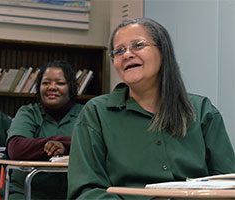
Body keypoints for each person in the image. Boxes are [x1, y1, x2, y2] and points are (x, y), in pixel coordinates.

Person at [67, 18, 235, 199]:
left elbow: (227, 184)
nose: (127, 55)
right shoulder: (96, 112)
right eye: (119, 51)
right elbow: (86, 191)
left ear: (163, 51)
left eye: (138, 45)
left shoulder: (202, 110)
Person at [6, 60, 83, 199]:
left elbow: (95, 147)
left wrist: (63, 147)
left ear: (71, 88)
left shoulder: (85, 113)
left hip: (72, 193)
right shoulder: (28, 112)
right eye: (46, 83)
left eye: (60, 83)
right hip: (26, 192)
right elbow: (16, 148)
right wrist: (58, 144)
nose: (52, 87)